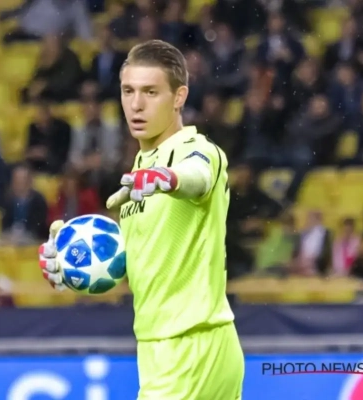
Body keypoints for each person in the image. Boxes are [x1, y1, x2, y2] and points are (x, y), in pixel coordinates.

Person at [39, 40, 244, 399]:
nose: (136, 104)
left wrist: (170, 178)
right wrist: (77, 263)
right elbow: (145, 263)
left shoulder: (194, 149)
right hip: (167, 348)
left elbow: (197, 175)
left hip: (188, 347)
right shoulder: (140, 168)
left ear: (179, 97)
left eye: (151, 92)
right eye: (128, 91)